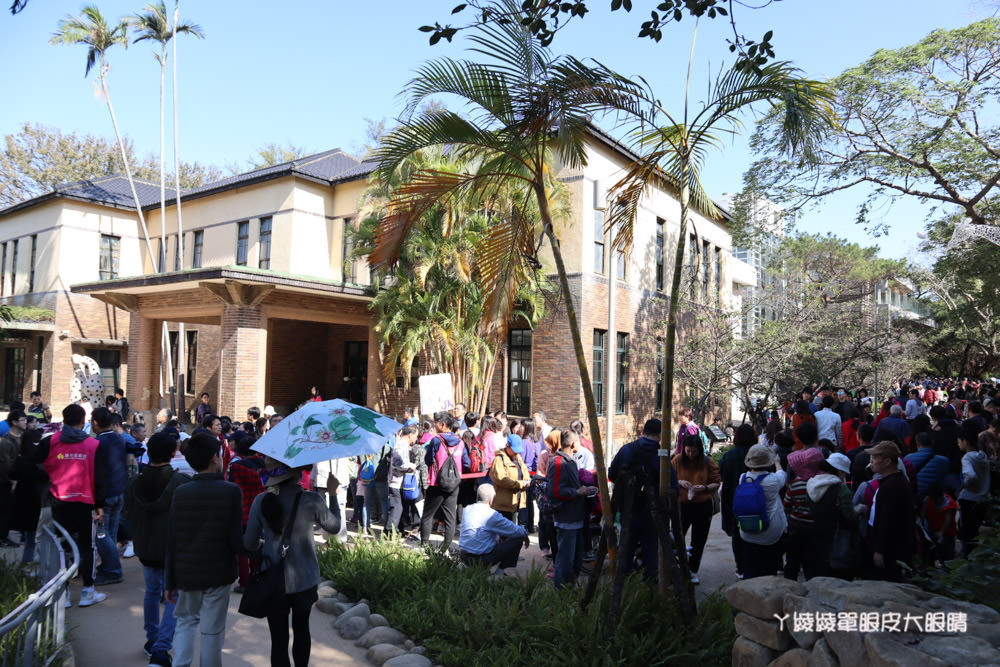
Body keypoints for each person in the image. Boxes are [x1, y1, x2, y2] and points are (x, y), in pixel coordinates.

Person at [243, 457, 340, 667]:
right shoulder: (312, 499)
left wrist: (265, 544)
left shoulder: (261, 500)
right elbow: (334, 527)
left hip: (272, 580)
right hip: (305, 580)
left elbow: (249, 544)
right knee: (302, 629)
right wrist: (333, 494)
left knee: (278, 640)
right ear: (297, 473)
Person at [166, 432, 246, 667]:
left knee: (185, 622)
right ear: (214, 458)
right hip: (218, 572)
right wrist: (254, 549)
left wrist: (170, 580)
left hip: (186, 572)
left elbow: (172, 538)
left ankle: (181, 664)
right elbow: (235, 538)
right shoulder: (230, 491)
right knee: (212, 630)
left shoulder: (181, 492)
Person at [124, 432, 191, 666]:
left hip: (145, 547)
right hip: (171, 549)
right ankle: (161, 649)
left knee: (152, 592)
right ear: (174, 453)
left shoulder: (133, 483)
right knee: (173, 597)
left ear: (148, 452)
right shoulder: (181, 483)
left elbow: (128, 512)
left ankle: (152, 640)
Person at [44, 403, 108, 607]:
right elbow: (99, 478)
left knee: (61, 546)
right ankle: (87, 591)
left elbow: (27, 464)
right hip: (85, 502)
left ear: (63, 419)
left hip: (59, 500)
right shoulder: (93, 445)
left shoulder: (51, 441)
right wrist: (100, 504)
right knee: (87, 546)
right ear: (83, 421)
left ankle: (62, 594)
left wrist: (49, 479)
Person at [608, 419, 679, 581]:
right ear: (661, 435)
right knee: (651, 552)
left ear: (643, 432)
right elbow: (673, 487)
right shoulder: (662, 456)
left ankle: (624, 585)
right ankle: (649, 588)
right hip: (653, 513)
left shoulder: (627, 449)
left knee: (625, 549)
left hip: (627, 509)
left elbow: (612, 474)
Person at [546, 429, 596, 589]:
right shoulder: (559, 462)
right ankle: (561, 592)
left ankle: (569, 588)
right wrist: (577, 492)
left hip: (576, 515)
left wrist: (582, 490)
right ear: (574, 443)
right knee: (565, 560)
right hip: (566, 517)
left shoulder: (569, 460)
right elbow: (554, 491)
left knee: (575, 559)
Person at [672, 434, 720, 584]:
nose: (691, 454)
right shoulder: (677, 460)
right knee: (676, 538)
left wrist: (704, 487)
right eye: (688, 451)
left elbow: (717, 482)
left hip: (702, 506)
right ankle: (676, 569)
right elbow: (668, 478)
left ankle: (692, 571)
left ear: (700, 450)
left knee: (698, 541)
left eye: (694, 451)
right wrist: (680, 482)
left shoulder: (707, 462)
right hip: (682, 505)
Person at [91, 406, 131, 586]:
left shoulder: (97, 443)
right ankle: (110, 565)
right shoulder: (119, 438)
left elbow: (98, 472)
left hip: (105, 495)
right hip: (118, 492)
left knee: (101, 534)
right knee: (111, 534)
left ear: (96, 422)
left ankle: (113, 570)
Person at [420, 411, 470, 550]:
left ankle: (424, 545)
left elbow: (427, 460)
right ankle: (446, 547)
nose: (434, 425)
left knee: (428, 515)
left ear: (442, 425)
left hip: (436, 482)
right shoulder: (461, 442)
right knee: (450, 517)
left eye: (436, 423)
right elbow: (467, 463)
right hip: (454, 484)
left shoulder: (436, 440)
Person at [866, 441, 915, 582]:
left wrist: (879, 550)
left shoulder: (892, 485)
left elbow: (887, 520)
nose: (871, 461)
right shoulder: (894, 482)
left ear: (887, 461)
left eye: (875, 458)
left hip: (891, 549)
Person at [737, 444, 787, 579]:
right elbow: (782, 474)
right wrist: (777, 463)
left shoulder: (743, 478)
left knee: (750, 569)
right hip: (770, 533)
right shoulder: (773, 480)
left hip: (747, 530)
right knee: (768, 571)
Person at [458, 484, 529, 577]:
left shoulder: (467, 509)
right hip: (481, 559)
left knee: (493, 535)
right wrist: (525, 534)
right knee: (519, 538)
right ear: (491, 499)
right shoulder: (491, 515)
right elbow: (518, 531)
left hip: (464, 556)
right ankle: (499, 573)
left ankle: (470, 568)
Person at [226, 432, 266, 591]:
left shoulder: (236, 467)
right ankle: (258, 578)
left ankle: (244, 582)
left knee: (242, 548)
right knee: (259, 544)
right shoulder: (264, 465)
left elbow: (233, 487)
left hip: (242, 511)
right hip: (261, 510)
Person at [719, 424, 755, 579]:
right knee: (753, 532)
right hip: (754, 500)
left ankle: (740, 567)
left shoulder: (729, 456)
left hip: (732, 499)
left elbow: (720, 474)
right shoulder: (758, 454)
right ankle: (752, 565)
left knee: (737, 535)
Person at [9, 428, 45, 563]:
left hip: (22, 498)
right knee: (38, 534)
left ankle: (27, 559)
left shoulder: (21, 459)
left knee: (29, 534)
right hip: (38, 499)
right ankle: (33, 560)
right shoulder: (40, 461)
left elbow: (12, 474)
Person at [957, 425, 990, 556]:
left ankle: (967, 558)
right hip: (983, 498)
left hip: (969, 499)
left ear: (965, 441)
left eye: (959, 441)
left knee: (967, 532)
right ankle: (973, 555)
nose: (958, 444)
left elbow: (970, 476)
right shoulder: (982, 455)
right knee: (974, 531)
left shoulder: (967, 458)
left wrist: (965, 485)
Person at [489, 433, 531, 522]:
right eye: (514, 450)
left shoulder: (518, 457)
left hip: (518, 501)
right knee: (505, 532)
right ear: (507, 446)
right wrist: (519, 484)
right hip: (504, 504)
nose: (517, 452)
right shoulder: (499, 460)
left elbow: (524, 470)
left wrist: (527, 479)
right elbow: (501, 479)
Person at [385, 426, 417, 535]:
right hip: (395, 481)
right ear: (410, 435)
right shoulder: (401, 445)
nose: (416, 438)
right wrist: (411, 466)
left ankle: (397, 530)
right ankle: (389, 531)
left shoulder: (403, 445)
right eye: (415, 436)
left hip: (399, 481)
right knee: (396, 507)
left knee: (400, 507)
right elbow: (398, 463)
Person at [0, 410, 25, 547]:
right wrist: (12, 480)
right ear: (14, 422)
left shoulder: (21, 438)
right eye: (22, 420)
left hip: (16, 480)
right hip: (6, 481)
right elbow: (4, 464)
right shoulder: (6, 442)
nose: (25, 422)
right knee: (4, 510)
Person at [921, 482, 958, 562]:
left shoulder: (949, 504)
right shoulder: (928, 500)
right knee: (931, 553)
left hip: (948, 534)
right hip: (932, 531)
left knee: (948, 556)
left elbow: (948, 520)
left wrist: (941, 532)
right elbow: (923, 515)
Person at [905, 432, 949, 500]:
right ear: (933, 443)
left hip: (917, 496)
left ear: (917, 443)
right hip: (935, 497)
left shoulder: (908, 458)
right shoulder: (944, 461)